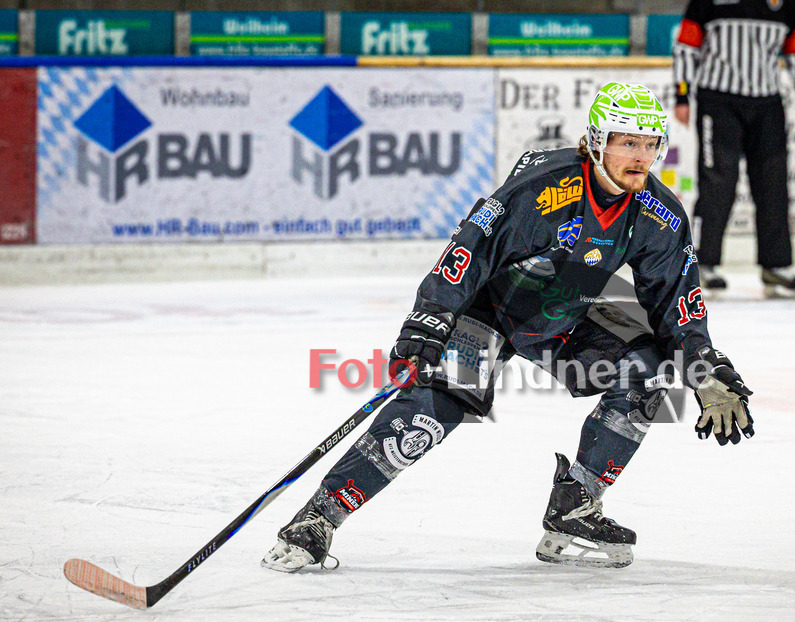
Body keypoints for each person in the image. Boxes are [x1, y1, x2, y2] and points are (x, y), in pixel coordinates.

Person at [261, 82, 755, 573]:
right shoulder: (545, 185)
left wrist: (704, 367)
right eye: (629, 142)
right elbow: (470, 251)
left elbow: (676, 305)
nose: (641, 156)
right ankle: (320, 518)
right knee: (436, 407)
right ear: (597, 141)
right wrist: (430, 320)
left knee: (646, 371)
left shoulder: (659, 215)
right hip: (490, 307)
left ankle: (574, 507)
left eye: (651, 144)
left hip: (567, 307)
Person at [672, 0, 795, 298]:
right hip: (718, 100)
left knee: (773, 183)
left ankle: (776, 266)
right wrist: (682, 95)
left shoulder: (785, 4)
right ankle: (702, 262)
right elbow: (687, 47)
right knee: (717, 183)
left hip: (768, 103)